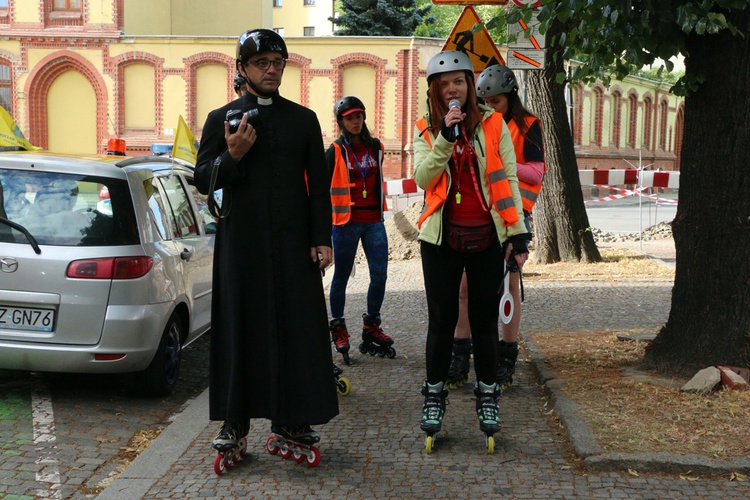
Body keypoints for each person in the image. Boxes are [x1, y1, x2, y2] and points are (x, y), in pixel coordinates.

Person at [195, 28, 339, 457]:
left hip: (295, 245)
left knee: (296, 328)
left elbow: (319, 188)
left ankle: (291, 417)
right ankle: (234, 420)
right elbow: (204, 179)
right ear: (242, 69)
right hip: (241, 244)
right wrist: (232, 154)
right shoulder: (222, 119)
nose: (272, 69)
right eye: (262, 63)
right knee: (241, 325)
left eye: (278, 62)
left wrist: (322, 239)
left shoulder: (303, 120)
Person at [413, 51, 530, 448]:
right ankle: (433, 395)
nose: (453, 90)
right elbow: (422, 177)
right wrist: (446, 138)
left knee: (482, 322)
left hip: (487, 236)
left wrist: (518, 234)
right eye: (444, 84)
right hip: (441, 241)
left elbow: (509, 178)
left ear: (469, 86)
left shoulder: (495, 124)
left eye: (459, 82)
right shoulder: (427, 128)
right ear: (435, 91)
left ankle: (488, 396)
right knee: (441, 321)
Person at [446, 65, 545, 390]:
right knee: (463, 287)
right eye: (485, 101)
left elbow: (536, 173)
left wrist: (500, 162)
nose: (490, 107)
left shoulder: (528, 126)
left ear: (510, 98)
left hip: (513, 215)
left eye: (497, 102)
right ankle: (461, 355)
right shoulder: (478, 124)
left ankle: (507, 358)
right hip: (478, 215)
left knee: (509, 289)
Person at [326, 95, 394, 365]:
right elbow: (321, 187)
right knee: (341, 275)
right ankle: (339, 327)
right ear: (341, 122)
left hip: (373, 221)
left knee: (380, 275)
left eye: (359, 116)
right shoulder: (335, 150)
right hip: (345, 222)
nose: (355, 121)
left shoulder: (376, 146)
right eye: (349, 118)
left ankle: (371, 324)